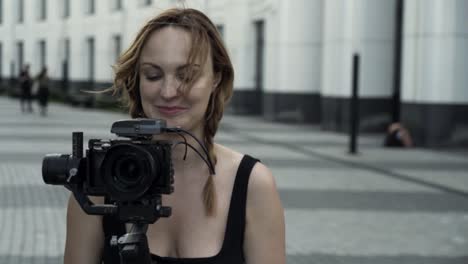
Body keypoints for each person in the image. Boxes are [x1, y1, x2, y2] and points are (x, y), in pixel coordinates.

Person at [64, 8, 285, 264]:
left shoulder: (252, 185)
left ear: (216, 78)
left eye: (187, 75)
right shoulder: (99, 182)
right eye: (153, 75)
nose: (168, 91)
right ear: (137, 80)